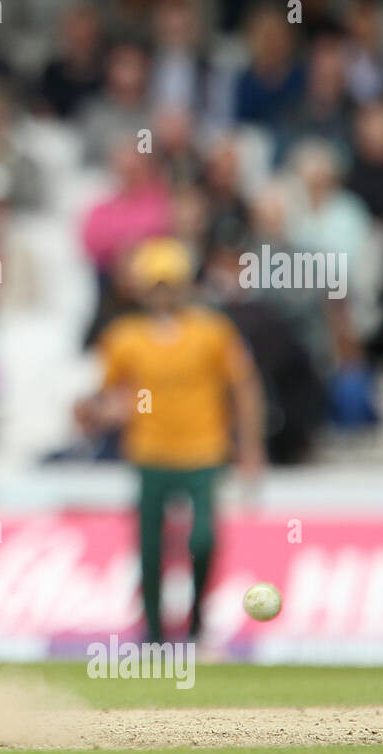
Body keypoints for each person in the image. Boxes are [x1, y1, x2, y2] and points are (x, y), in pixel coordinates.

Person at [81, 237, 264, 643]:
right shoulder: (125, 336)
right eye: (155, 285)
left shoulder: (212, 332)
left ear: (183, 285)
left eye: (169, 284)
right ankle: (154, 629)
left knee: (203, 538)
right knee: (149, 547)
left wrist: (250, 447)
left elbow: (244, 387)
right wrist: (96, 411)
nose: (163, 294)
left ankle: (197, 620)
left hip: (203, 450)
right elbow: (114, 396)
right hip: (150, 453)